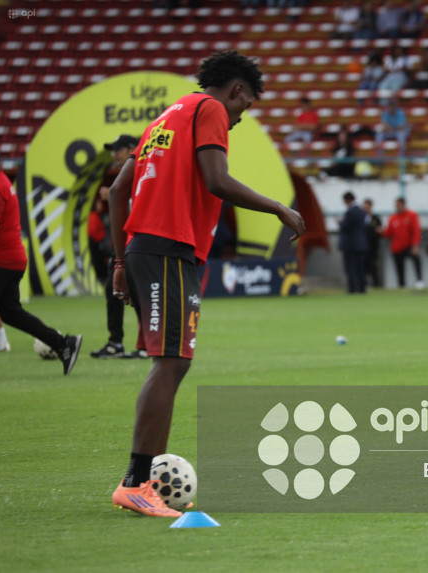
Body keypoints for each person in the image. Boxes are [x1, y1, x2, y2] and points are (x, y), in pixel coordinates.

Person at [108, 50, 305, 517]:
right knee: (172, 364)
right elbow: (216, 180)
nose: (239, 118)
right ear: (236, 90)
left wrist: (120, 261)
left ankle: (141, 481)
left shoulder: (167, 116)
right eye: (247, 106)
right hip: (168, 247)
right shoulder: (211, 109)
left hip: (145, 248)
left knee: (169, 362)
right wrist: (278, 206)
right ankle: (136, 483)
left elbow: (118, 191)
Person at [0, 150, 83, 373]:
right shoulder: (2, 182)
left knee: (11, 312)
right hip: (11, 259)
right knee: (10, 313)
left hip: (3, 260)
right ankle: (63, 344)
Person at [90, 135, 150, 359]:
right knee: (114, 291)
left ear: (132, 149)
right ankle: (117, 342)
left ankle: (145, 345)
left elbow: (145, 203)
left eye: (118, 150)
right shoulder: (127, 175)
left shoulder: (143, 168)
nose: (114, 154)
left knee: (139, 294)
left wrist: (116, 198)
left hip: (139, 243)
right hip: (124, 245)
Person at [383, 197, 423, 288]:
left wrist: (415, 245)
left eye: (398, 205)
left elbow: (416, 231)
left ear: (403, 204)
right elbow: (388, 233)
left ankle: (419, 281)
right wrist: (381, 231)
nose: (397, 207)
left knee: (416, 259)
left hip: (409, 246)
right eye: (396, 205)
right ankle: (401, 285)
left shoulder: (412, 215)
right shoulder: (393, 217)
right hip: (396, 247)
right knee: (399, 268)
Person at [338, 191, 368, 294]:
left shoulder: (350, 212)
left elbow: (347, 226)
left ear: (347, 200)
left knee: (351, 267)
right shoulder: (361, 211)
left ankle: (352, 288)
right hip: (361, 243)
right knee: (361, 268)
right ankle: (362, 288)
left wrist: (340, 222)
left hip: (351, 244)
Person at [363, 198, 383, 287]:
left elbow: (379, 230)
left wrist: (378, 231)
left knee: (374, 267)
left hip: (373, 247)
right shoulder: (361, 218)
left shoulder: (375, 218)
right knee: (363, 266)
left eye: (367, 206)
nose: (365, 208)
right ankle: (364, 284)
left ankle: (376, 285)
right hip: (363, 247)